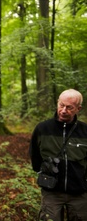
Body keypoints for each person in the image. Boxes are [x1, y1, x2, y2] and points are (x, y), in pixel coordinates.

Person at [30, 89, 87, 220]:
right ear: (57, 102)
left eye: (69, 107)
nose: (63, 110)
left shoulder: (85, 131)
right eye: (61, 105)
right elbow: (35, 156)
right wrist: (43, 173)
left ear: (78, 108)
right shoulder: (42, 128)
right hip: (51, 191)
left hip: (79, 192)